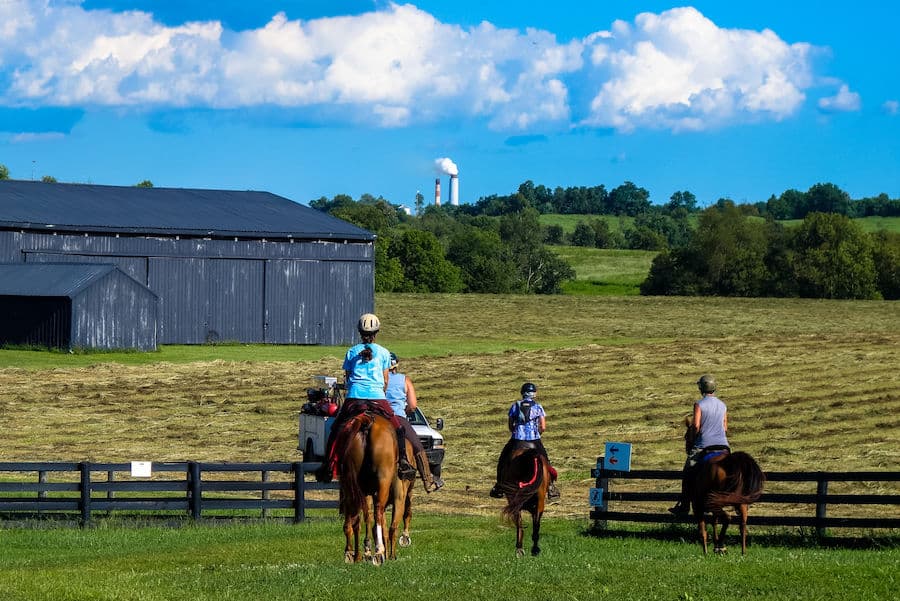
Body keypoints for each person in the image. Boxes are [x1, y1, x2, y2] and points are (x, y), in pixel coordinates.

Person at [316, 313, 413, 484]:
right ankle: (404, 460)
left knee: (336, 429)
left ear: (359, 332)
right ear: (377, 332)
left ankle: (329, 465)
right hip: (377, 397)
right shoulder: (384, 353)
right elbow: (385, 381)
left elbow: (347, 378)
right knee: (398, 428)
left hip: (354, 397)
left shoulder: (352, 352)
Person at [669, 374, 730, 514]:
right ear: (714, 387)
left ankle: (684, 505)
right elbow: (725, 428)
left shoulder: (699, 404)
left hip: (704, 444)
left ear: (701, 388)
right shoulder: (723, 405)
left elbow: (696, 426)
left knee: (688, 471)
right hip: (724, 446)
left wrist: (694, 436)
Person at [489, 382, 560, 501]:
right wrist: (537, 433)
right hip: (534, 439)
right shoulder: (538, 407)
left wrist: (516, 432)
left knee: (503, 460)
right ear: (534, 394)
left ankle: (499, 485)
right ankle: (551, 486)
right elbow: (543, 426)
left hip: (517, 439)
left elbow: (511, 425)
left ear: (522, 393)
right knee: (545, 461)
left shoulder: (515, 406)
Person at [385, 352, 444, 492]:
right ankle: (428, 481)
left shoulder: (377, 379)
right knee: (417, 446)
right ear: (396, 366)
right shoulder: (404, 380)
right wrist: (404, 411)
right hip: (398, 418)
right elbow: (412, 406)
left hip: (378, 415)